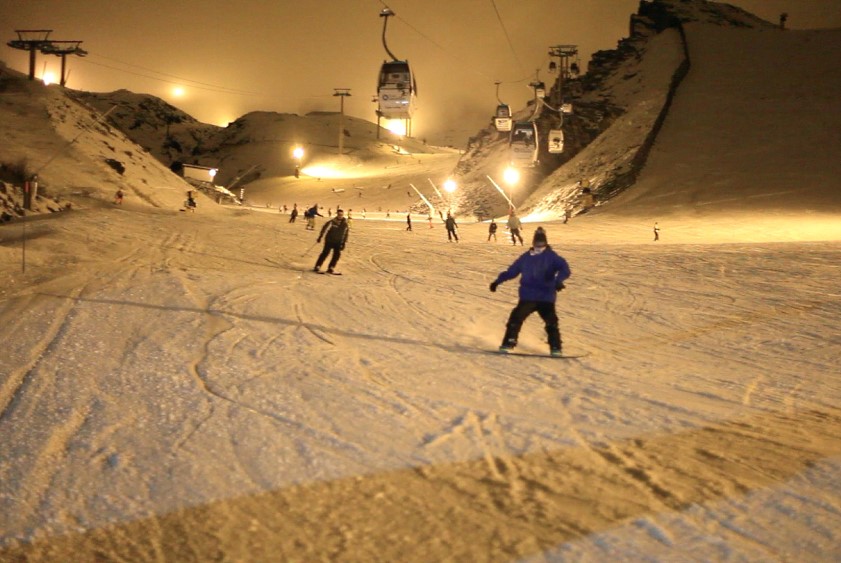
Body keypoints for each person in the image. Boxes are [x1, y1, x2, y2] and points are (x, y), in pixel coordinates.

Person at [490, 227, 571, 356]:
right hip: (528, 297)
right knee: (515, 319)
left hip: (545, 296)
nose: (539, 245)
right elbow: (512, 271)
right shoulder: (526, 257)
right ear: (533, 243)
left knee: (551, 322)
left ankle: (556, 347)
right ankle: (508, 343)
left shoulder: (552, 257)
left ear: (545, 242)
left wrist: (558, 281)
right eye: (537, 243)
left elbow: (565, 269)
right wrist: (497, 281)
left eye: (541, 243)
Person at [313, 209, 349, 274]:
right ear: (337, 215)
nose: (340, 216)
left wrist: (344, 242)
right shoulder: (332, 222)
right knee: (325, 253)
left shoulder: (345, 224)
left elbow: (345, 234)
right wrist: (320, 237)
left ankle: (331, 267)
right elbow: (324, 229)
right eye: (339, 215)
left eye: (341, 215)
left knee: (336, 255)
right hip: (329, 240)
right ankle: (318, 266)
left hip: (338, 242)